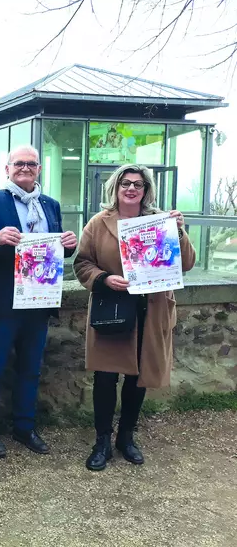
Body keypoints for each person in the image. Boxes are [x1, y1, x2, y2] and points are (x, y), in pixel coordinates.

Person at [74, 164, 195, 471]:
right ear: (115, 188)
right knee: (105, 376)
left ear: (146, 190)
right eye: (125, 183)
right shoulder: (98, 223)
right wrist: (104, 279)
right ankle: (102, 440)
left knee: (138, 377)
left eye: (137, 185)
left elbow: (187, 263)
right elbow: (82, 263)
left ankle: (126, 437)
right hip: (113, 308)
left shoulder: (162, 222)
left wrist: (179, 230)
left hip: (150, 309)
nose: (131, 189)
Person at [0, 145, 77, 459]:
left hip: (39, 300)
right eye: (19, 163)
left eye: (31, 163)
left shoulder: (51, 205)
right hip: (3, 302)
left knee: (31, 369)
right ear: (7, 169)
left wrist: (70, 245)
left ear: (39, 169)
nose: (25, 168)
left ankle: (24, 427)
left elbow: (57, 250)